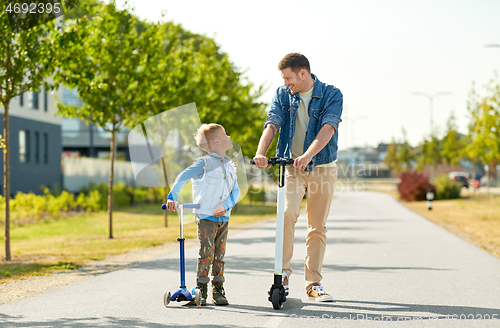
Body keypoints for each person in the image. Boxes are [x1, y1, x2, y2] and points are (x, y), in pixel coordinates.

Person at [253, 53, 342, 302]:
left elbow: (328, 127)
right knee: (287, 214)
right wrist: (261, 153)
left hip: (323, 166)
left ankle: (313, 283)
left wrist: (308, 155)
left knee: (317, 227)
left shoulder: (331, 94)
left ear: (303, 74)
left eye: (288, 78)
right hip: (292, 167)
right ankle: (281, 275)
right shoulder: (283, 95)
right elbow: (272, 124)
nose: (285, 83)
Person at [166, 123, 240, 306]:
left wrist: (226, 205)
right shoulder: (204, 164)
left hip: (224, 217)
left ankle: (218, 289)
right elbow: (182, 177)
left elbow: (236, 191)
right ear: (216, 141)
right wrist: (172, 197)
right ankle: (202, 289)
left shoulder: (230, 165)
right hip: (206, 217)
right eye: (225, 135)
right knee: (207, 253)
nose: (229, 137)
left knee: (220, 254)